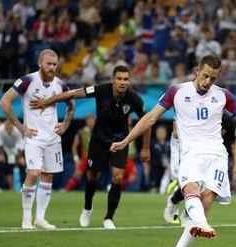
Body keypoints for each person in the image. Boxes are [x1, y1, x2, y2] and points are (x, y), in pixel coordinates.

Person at [109, 55, 236, 247]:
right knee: (191, 189)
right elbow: (150, 118)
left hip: (217, 155)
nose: (208, 82)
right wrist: (126, 140)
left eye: (214, 78)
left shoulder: (223, 95)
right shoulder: (177, 91)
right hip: (191, 153)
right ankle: (201, 222)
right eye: (206, 76)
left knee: (207, 200)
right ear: (197, 70)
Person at [29, 65, 151, 229]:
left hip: (120, 141)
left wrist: (145, 148)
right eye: (119, 78)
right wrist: (47, 101)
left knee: (118, 177)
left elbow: (147, 122)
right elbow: (73, 93)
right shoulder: (101, 90)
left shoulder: (134, 99)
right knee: (92, 176)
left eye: (126, 79)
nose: (123, 82)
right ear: (112, 80)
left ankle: (108, 218)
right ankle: (87, 207)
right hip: (98, 141)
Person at [0, 49, 75, 230]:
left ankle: (40, 219)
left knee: (48, 175)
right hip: (33, 137)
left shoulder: (61, 85)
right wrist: (21, 127)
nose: (52, 67)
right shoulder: (27, 81)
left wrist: (65, 123)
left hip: (53, 138)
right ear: (40, 63)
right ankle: (26, 218)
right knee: (33, 173)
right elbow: (4, 102)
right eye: (49, 63)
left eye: (55, 64)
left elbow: (71, 105)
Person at [163, 112, 236, 225]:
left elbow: (234, 142)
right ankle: (173, 201)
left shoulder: (227, 121)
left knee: (208, 190)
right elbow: (177, 133)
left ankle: (188, 215)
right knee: (191, 185)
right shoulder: (197, 114)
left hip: (214, 158)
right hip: (194, 153)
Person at [64, 113, 95, 192]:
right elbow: (74, 146)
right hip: (85, 158)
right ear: (86, 122)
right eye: (89, 120)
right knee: (77, 174)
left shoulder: (98, 132)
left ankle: (90, 192)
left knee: (92, 177)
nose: (91, 122)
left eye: (92, 120)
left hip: (95, 158)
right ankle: (65, 190)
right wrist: (76, 159)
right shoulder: (81, 132)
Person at [0, 120, 26, 191]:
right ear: (5, 127)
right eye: (7, 128)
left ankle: (23, 187)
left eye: (10, 128)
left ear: (13, 127)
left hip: (16, 149)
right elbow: (0, 143)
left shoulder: (18, 130)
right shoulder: (0, 129)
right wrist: (1, 155)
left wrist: (19, 157)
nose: (9, 130)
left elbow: (20, 144)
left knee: (22, 164)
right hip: (5, 149)